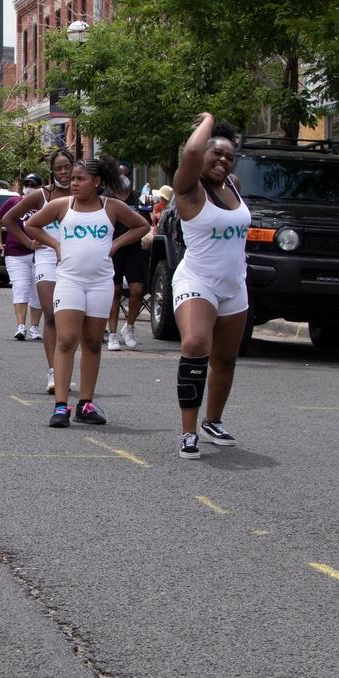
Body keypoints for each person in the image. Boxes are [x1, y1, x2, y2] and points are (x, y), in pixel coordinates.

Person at [25, 155, 150, 427]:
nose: (74, 184)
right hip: (69, 281)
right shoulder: (62, 206)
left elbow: (143, 225)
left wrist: (116, 244)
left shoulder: (112, 207)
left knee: (93, 342)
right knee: (67, 339)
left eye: (80, 179)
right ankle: (60, 406)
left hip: (100, 283)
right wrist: (55, 245)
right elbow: (31, 225)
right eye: (72, 179)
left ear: (97, 182)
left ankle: (86, 403)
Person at [171, 114, 251, 460]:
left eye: (228, 156)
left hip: (234, 284)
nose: (222, 160)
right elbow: (190, 152)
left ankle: (213, 421)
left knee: (226, 359)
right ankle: (188, 433)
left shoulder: (232, 185)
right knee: (194, 344)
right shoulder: (189, 187)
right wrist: (210, 123)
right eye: (215, 153)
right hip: (197, 280)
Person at [2, 149, 77, 392]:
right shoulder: (42, 196)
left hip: (77, 260)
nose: (64, 173)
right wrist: (28, 242)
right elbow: (9, 219)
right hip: (46, 256)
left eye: (67, 167)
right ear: (52, 172)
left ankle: (67, 369)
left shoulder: (83, 194)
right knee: (52, 313)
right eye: (59, 168)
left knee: (73, 320)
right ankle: (53, 373)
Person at [107, 171, 152, 351]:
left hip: (134, 248)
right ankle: (112, 334)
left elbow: (146, 222)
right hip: (112, 249)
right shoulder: (107, 198)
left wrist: (147, 208)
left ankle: (129, 327)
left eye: (125, 174)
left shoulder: (137, 198)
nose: (122, 178)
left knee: (137, 289)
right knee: (115, 290)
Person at [0, 174, 42, 340]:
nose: (29, 187)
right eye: (27, 184)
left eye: (34, 185)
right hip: (16, 253)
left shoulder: (45, 204)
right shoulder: (13, 202)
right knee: (21, 286)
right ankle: (21, 326)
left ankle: (34, 327)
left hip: (39, 252)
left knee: (38, 291)